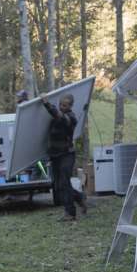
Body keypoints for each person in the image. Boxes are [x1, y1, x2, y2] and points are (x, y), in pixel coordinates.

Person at [42, 93, 86, 221]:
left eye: (65, 105)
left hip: (67, 154)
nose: (62, 107)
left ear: (71, 106)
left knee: (64, 183)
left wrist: (46, 103)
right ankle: (80, 197)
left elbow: (60, 116)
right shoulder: (56, 117)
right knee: (59, 186)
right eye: (61, 105)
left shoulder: (71, 118)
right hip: (55, 155)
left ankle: (70, 213)